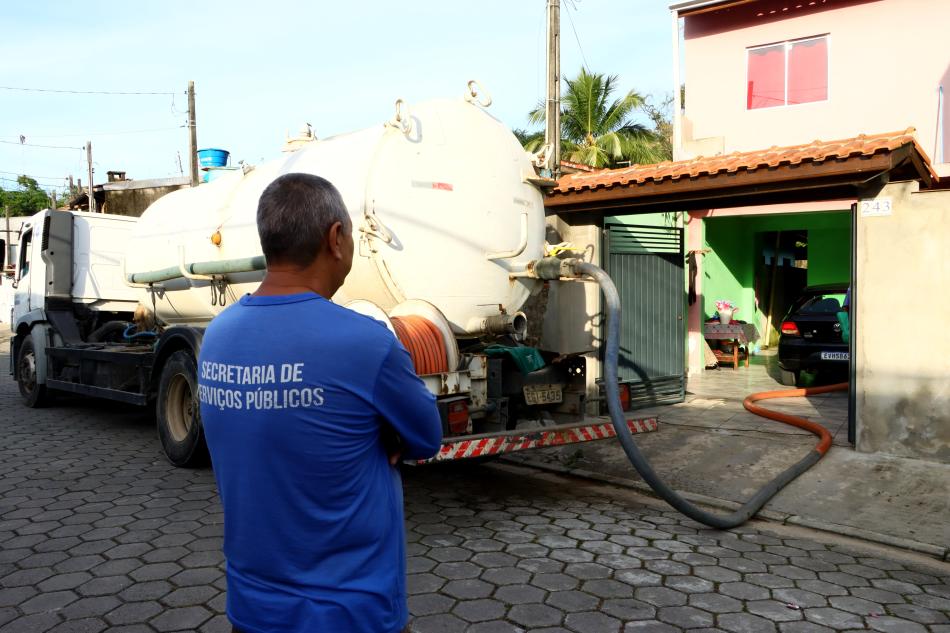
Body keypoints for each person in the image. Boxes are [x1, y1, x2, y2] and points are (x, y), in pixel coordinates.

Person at [198, 173, 443, 633]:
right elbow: (426, 438)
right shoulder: (366, 343)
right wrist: (380, 432)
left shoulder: (217, 338)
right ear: (336, 238)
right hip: (352, 612)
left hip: (252, 609)